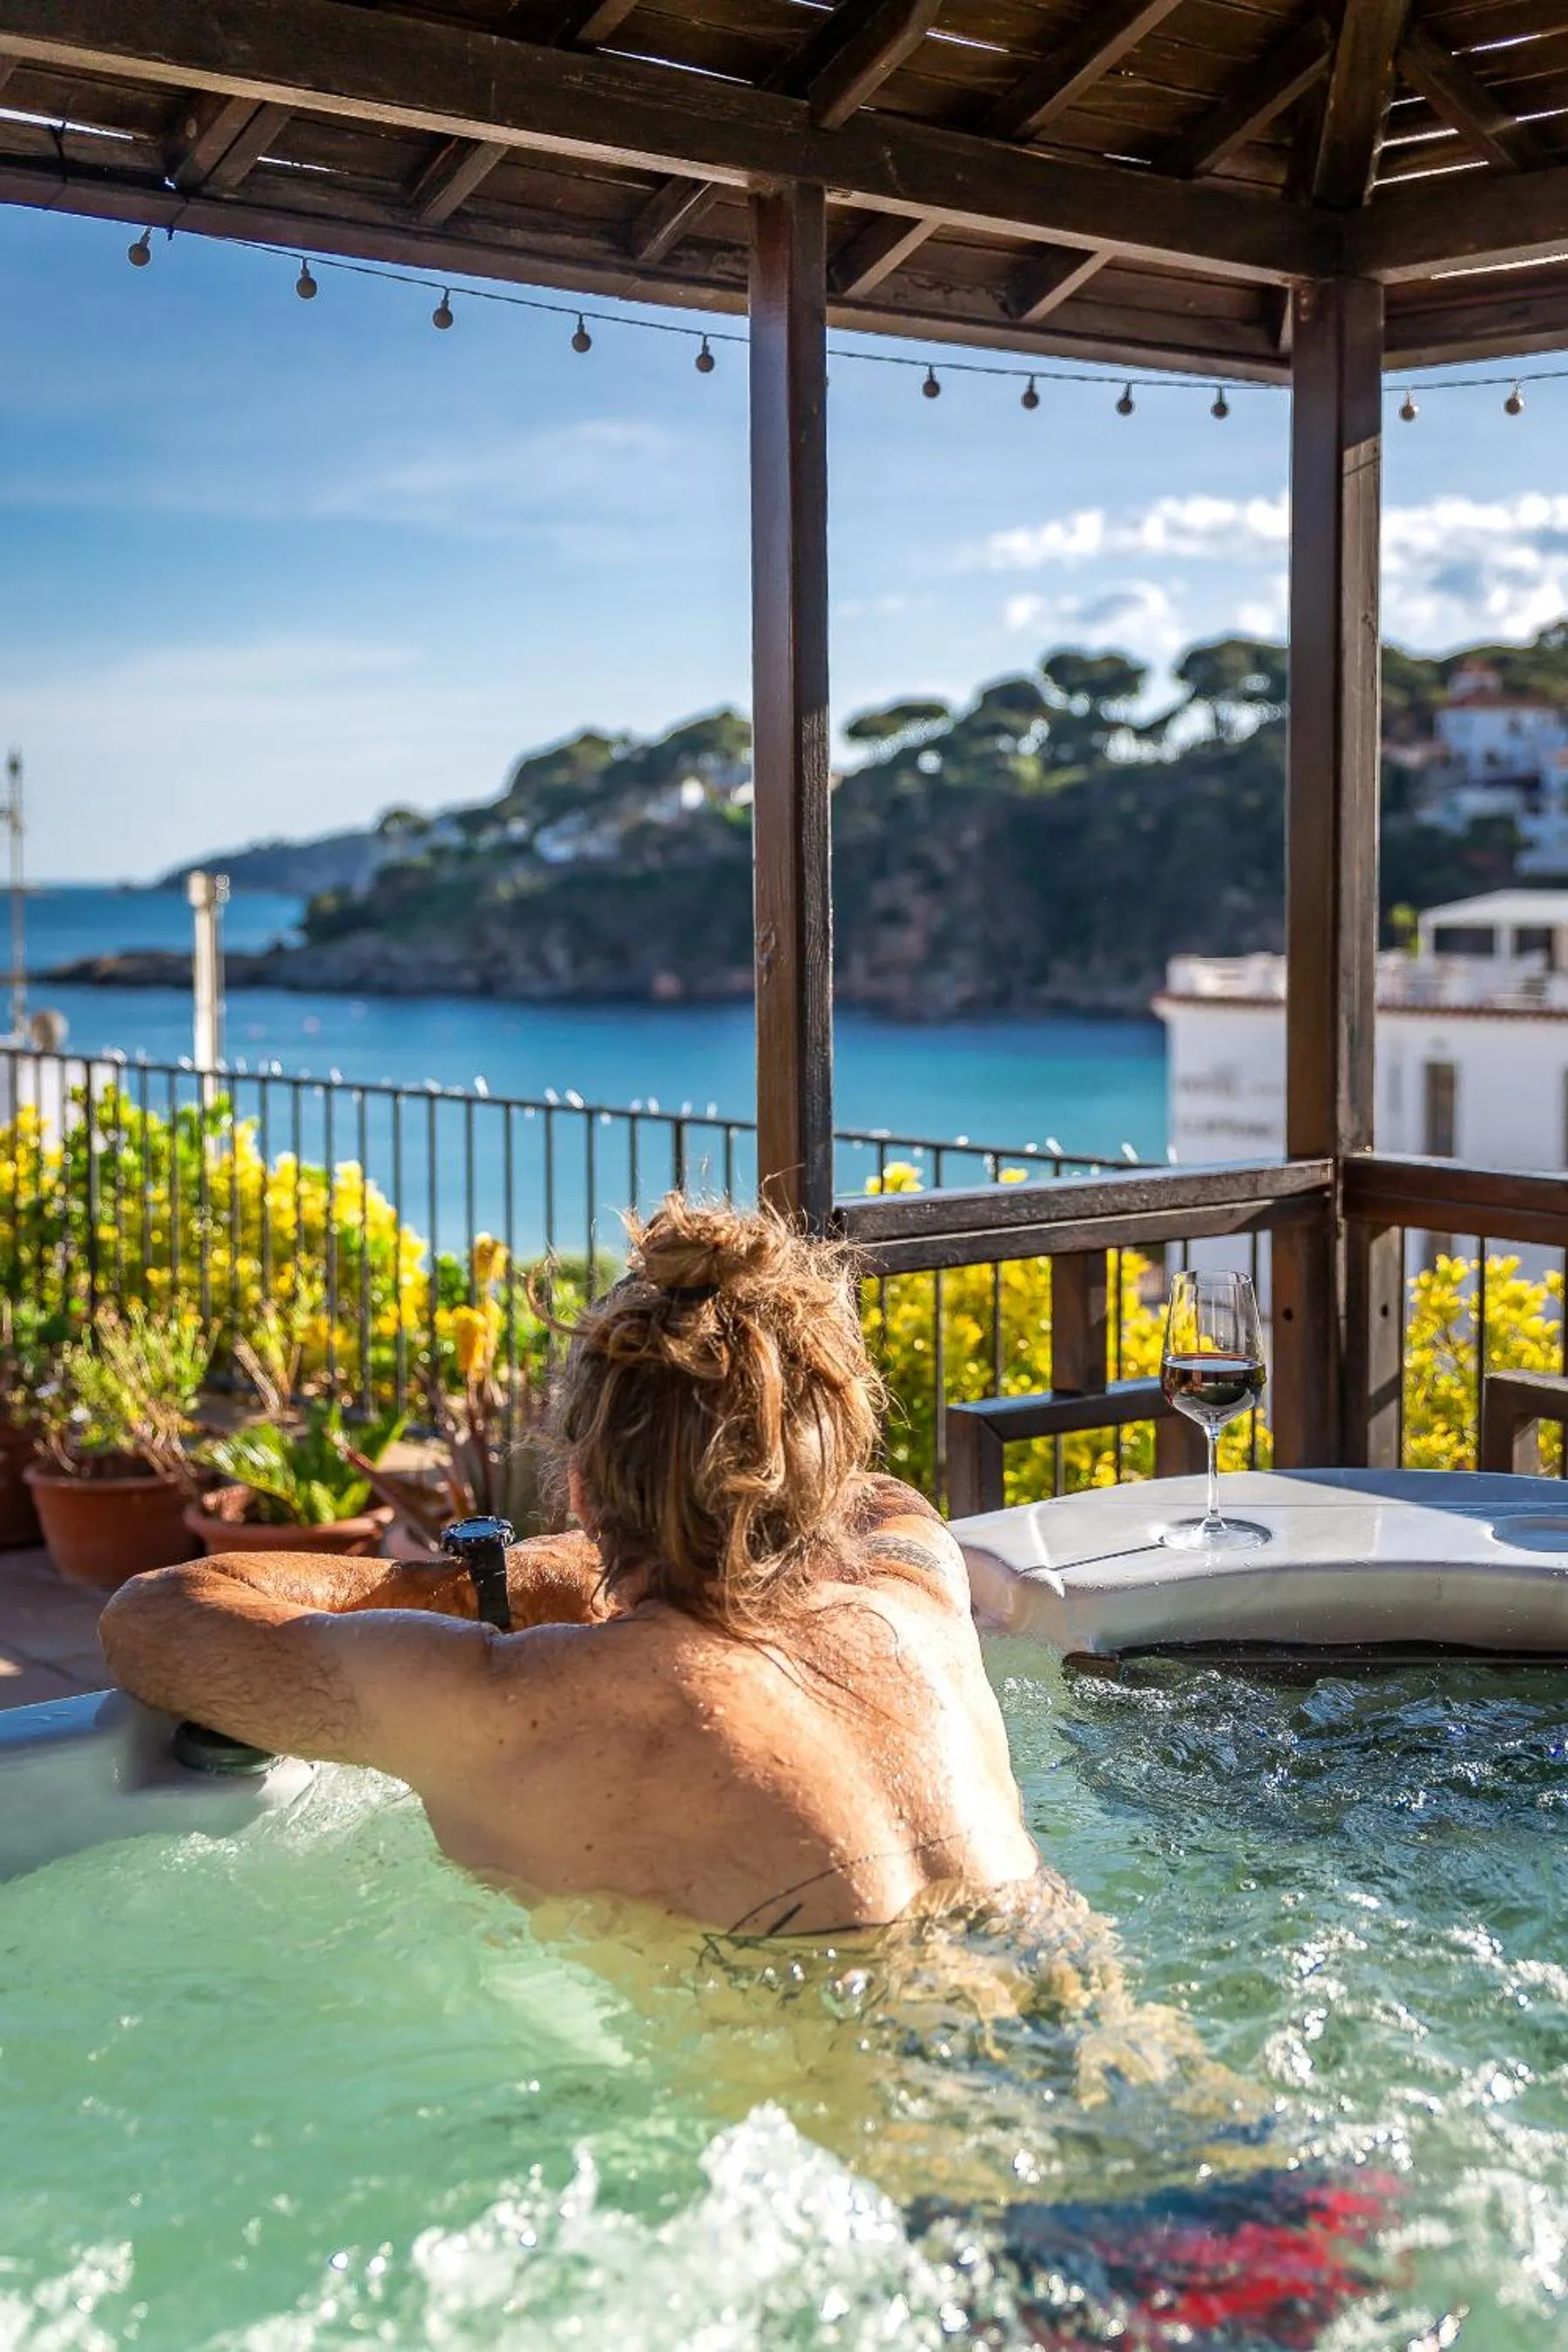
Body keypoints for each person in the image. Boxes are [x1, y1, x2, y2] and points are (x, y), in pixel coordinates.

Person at [101, 1194, 1044, 1936]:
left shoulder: (504, 1700)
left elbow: (156, 1619)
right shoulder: (918, 1593)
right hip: (1112, 2061)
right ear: (822, 1449)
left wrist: (484, 1585)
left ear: (585, 1491)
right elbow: (884, 1497)